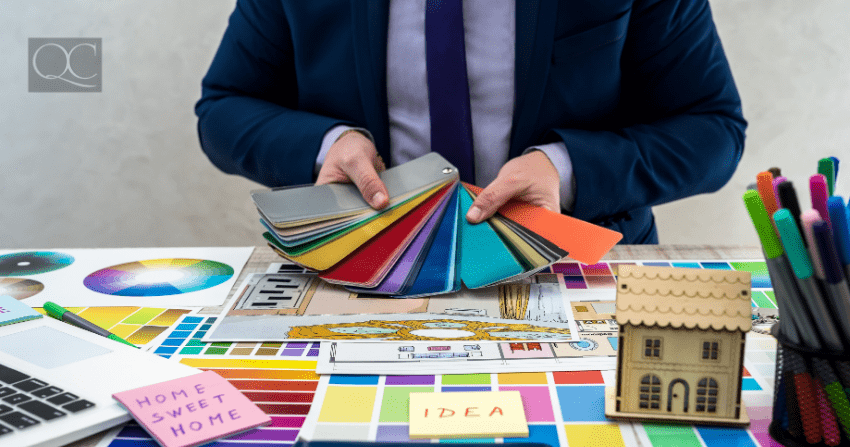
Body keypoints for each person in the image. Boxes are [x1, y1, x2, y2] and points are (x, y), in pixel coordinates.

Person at [196, 0, 746, 244]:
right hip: (359, 268)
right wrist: (328, 145)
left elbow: (712, 130)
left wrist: (566, 169)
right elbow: (224, 109)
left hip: (578, 270)